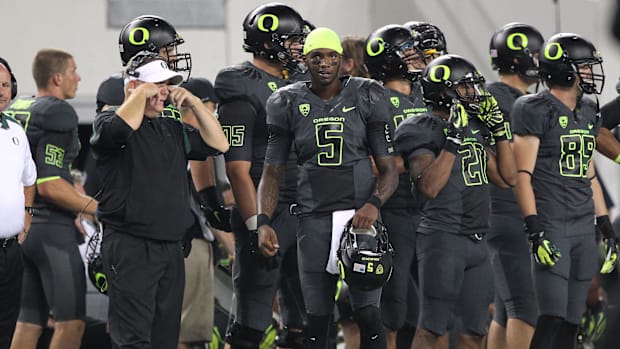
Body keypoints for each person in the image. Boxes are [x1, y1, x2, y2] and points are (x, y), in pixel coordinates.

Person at [256, 27, 398, 349]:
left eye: (331, 56)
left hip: (359, 217)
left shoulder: (367, 94)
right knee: (317, 319)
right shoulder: (287, 101)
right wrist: (262, 221)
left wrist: (374, 204)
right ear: (305, 60)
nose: (324, 63)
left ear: (343, 61)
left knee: (369, 315)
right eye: (316, 56)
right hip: (314, 218)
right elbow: (272, 171)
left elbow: (389, 169)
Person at [89, 51, 229, 348]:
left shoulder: (171, 127)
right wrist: (140, 94)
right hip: (130, 246)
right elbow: (118, 129)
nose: (162, 92)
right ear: (132, 87)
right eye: (156, 85)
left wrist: (193, 102)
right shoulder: (107, 122)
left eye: (166, 85)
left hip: (170, 248)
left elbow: (220, 143)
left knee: (164, 339)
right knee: (133, 339)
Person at [394, 54, 517, 349]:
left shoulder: (474, 124)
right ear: (444, 92)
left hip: (477, 239)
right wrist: (454, 140)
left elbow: (506, 179)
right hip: (442, 237)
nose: (474, 93)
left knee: (474, 331)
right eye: (465, 87)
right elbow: (429, 187)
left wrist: (499, 130)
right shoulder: (420, 127)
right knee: (432, 326)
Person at [512, 32, 618, 349]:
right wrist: (534, 229)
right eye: (584, 67)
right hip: (552, 222)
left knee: (573, 321)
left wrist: (606, 227)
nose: (590, 73)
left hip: (583, 225)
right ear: (564, 69)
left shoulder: (587, 110)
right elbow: (522, 175)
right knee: (551, 317)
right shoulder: (534, 108)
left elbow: (590, 176)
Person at [214, 4, 309, 348]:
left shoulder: (302, 82)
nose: (299, 47)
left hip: (305, 208)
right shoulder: (241, 84)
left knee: (308, 323)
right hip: (266, 207)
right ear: (269, 42)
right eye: (292, 40)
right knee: (251, 322)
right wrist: (257, 222)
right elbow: (237, 168)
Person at [7, 49, 96, 349]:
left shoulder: (19, 106)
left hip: (23, 229)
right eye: (74, 70)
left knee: (29, 323)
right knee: (71, 324)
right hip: (50, 231)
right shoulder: (58, 112)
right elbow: (49, 185)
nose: (79, 77)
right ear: (57, 78)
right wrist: (98, 209)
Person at [363, 24, 423, 349]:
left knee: (419, 312)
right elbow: (375, 162)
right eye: (406, 50)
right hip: (394, 210)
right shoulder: (375, 99)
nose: (415, 56)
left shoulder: (424, 94)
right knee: (393, 309)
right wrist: (417, 158)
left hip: (427, 212)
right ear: (387, 60)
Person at [485, 22, 544, 349]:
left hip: (501, 211)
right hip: (508, 210)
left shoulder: (501, 97)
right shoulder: (511, 101)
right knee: (524, 306)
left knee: (507, 308)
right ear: (520, 58)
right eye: (535, 54)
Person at [0, 57, 36, 349]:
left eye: (5, 84)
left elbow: (29, 179)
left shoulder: (15, 131)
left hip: (10, 250)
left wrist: (27, 215)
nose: (1, 91)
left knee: (6, 326)